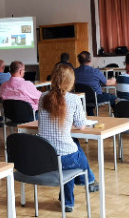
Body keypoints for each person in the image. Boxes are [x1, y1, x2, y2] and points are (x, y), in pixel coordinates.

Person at [38, 64, 98, 213]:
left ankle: (68, 202)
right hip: (64, 158)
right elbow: (81, 125)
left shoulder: (42, 97)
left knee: (73, 145)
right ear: (71, 82)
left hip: (44, 156)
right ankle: (88, 180)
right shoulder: (73, 99)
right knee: (74, 156)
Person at [73, 51, 116, 115]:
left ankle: (91, 116)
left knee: (88, 99)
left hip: (81, 98)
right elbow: (107, 83)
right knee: (113, 97)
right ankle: (117, 115)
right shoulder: (96, 71)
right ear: (90, 60)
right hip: (96, 97)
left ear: (79, 61)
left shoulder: (74, 72)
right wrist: (113, 79)